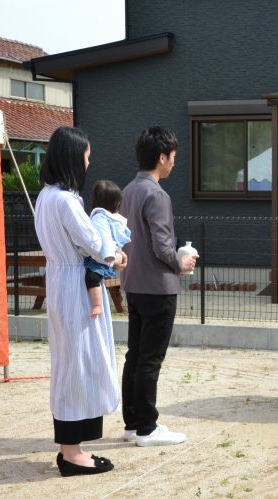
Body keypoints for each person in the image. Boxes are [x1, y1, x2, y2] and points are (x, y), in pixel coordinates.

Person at [34, 126, 127, 476]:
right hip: (74, 283)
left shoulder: (46, 196)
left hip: (61, 280)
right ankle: (72, 453)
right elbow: (96, 244)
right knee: (79, 363)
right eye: (87, 156)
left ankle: (73, 447)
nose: (89, 162)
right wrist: (116, 255)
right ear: (74, 157)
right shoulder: (66, 201)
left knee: (71, 361)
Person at [120, 126, 196, 446]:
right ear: (161, 157)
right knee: (151, 359)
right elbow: (163, 247)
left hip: (132, 283)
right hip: (158, 287)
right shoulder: (157, 195)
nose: (174, 163)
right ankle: (148, 428)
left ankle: (133, 423)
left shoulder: (127, 191)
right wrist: (181, 263)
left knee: (134, 356)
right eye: (173, 157)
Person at [84, 180, 131, 318]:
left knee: (91, 278)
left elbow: (104, 237)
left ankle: (97, 305)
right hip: (112, 253)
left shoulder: (99, 217)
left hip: (105, 256)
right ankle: (98, 304)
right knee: (95, 279)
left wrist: (110, 256)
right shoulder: (114, 218)